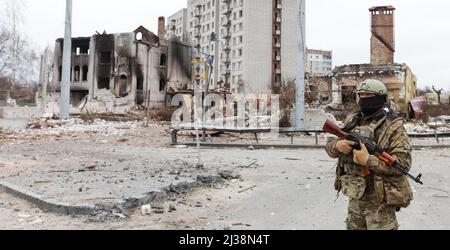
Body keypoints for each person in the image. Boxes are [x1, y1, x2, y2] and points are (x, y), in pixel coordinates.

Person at [325, 79, 414, 230]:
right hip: (356, 195)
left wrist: (368, 160)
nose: (365, 99)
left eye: (370, 95)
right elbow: (330, 145)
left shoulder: (393, 126)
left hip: (380, 201)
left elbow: (402, 165)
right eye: (362, 95)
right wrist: (338, 145)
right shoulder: (354, 120)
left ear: (381, 98)